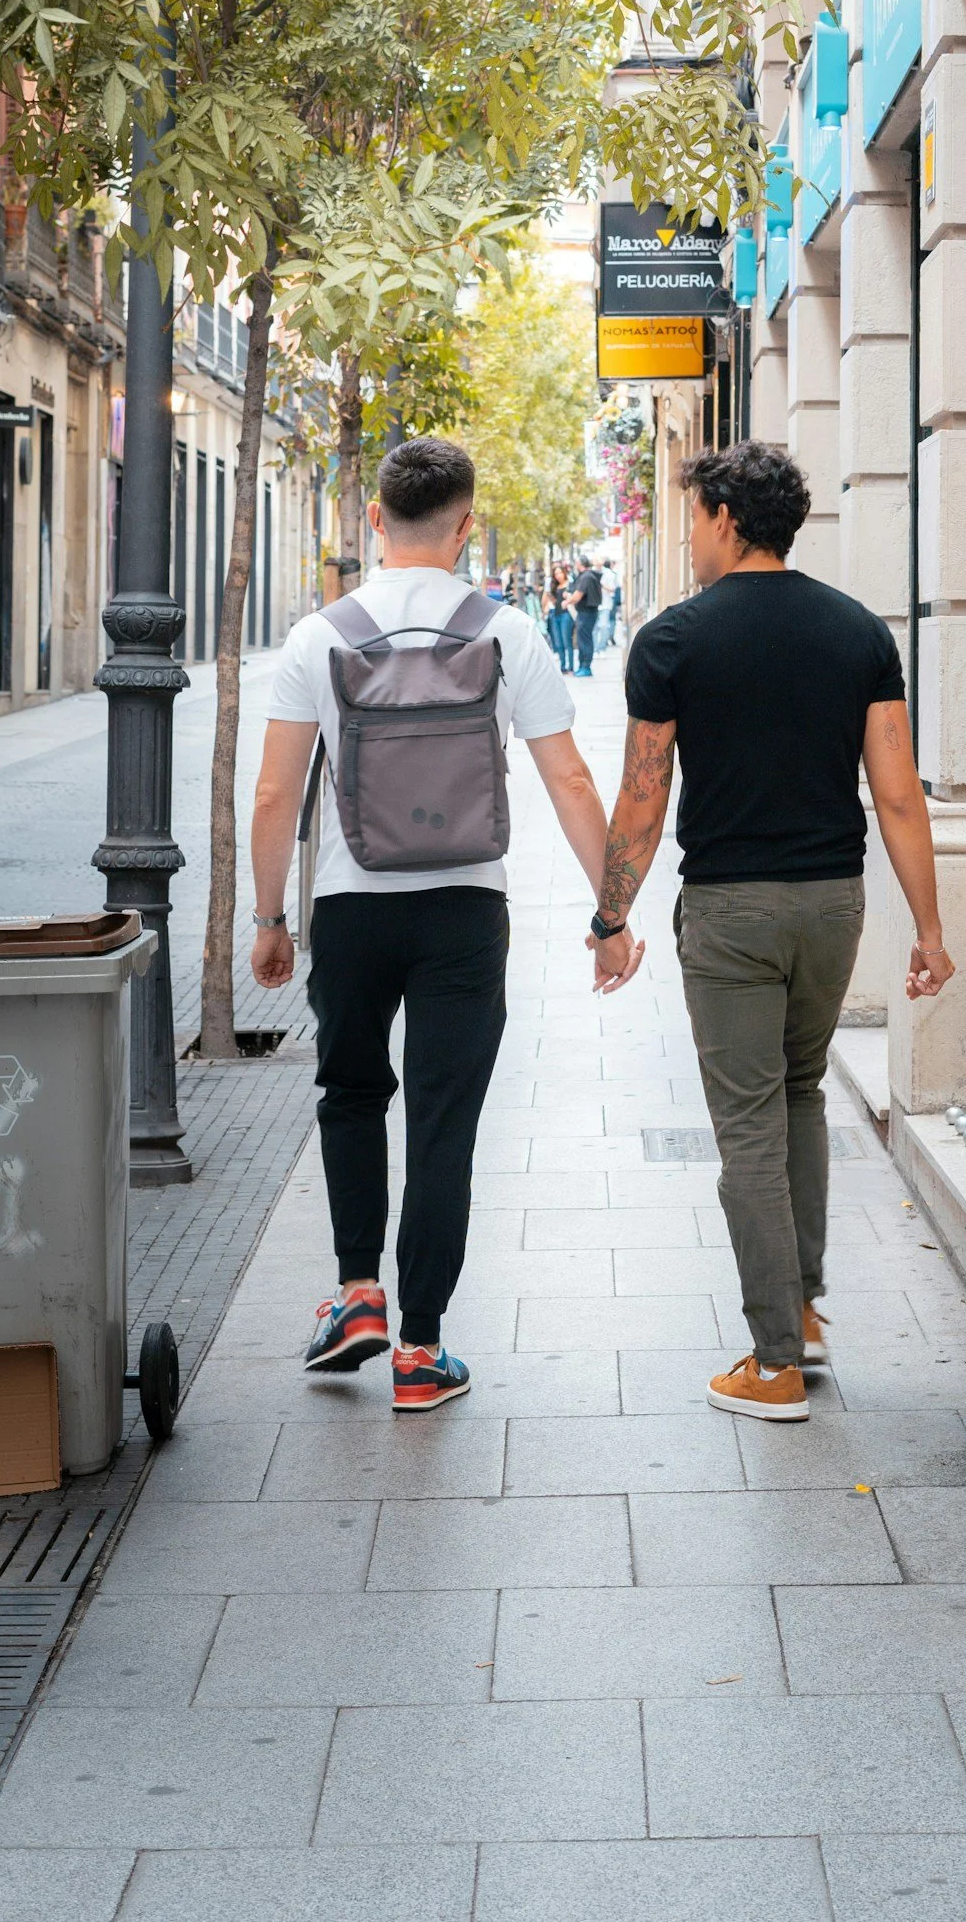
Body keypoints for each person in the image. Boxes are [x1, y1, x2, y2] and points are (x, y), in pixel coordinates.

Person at [250, 437, 641, 1413]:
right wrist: (611, 913)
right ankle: (420, 1352)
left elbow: (271, 794)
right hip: (466, 909)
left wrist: (267, 917)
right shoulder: (506, 632)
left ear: (374, 519)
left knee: (348, 1092)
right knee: (442, 1124)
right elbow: (569, 779)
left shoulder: (318, 635)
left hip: (349, 904)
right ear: (466, 526)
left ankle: (356, 1293)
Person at [586, 441, 954, 1423]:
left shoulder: (672, 641)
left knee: (747, 1122)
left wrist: (609, 916)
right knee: (798, 1091)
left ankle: (773, 1359)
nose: (692, 535)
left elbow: (641, 795)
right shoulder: (855, 633)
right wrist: (929, 926)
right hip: (833, 902)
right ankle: (801, 1306)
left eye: (696, 516)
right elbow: (898, 797)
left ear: (725, 518)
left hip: (732, 909)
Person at [570, 553, 603, 677]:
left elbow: (578, 595)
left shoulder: (586, 577)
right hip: (586, 612)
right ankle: (583, 666)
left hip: (586, 612)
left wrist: (568, 600)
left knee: (584, 640)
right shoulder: (589, 576)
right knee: (583, 639)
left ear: (579, 564)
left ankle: (585, 667)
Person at [545, 564, 574, 673]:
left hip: (566, 615)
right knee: (558, 643)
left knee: (567, 641)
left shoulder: (570, 585)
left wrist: (568, 597)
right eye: (556, 574)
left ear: (564, 572)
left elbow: (573, 598)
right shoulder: (554, 586)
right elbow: (554, 601)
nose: (558, 576)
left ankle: (571, 667)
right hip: (555, 615)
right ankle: (562, 667)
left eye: (559, 573)